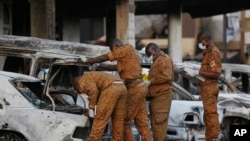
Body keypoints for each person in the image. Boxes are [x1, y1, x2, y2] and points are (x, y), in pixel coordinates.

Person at [85, 38, 151, 141]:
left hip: (134, 88)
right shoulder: (129, 55)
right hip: (140, 88)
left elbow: (106, 56)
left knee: (124, 121)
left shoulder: (125, 49)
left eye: (113, 50)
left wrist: (89, 61)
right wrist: (99, 66)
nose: (114, 54)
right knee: (142, 121)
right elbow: (116, 67)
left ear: (116, 47)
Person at [72, 71, 127, 141]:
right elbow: (100, 97)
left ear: (77, 83)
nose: (76, 90)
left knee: (100, 119)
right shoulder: (93, 77)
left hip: (111, 88)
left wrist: (91, 108)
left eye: (75, 88)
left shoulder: (83, 79)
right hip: (122, 87)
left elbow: (93, 91)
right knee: (118, 120)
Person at [195, 30, 222, 141]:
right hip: (206, 89)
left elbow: (216, 74)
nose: (200, 45)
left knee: (211, 115)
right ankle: (210, 138)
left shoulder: (213, 53)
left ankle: (215, 137)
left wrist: (199, 72)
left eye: (200, 42)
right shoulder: (207, 52)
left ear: (205, 41)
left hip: (210, 88)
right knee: (207, 117)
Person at [145, 42, 173, 141]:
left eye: (149, 55)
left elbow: (166, 76)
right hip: (156, 98)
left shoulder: (164, 59)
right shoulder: (157, 60)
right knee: (157, 128)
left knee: (159, 127)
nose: (149, 57)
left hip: (162, 98)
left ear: (153, 50)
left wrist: (150, 82)